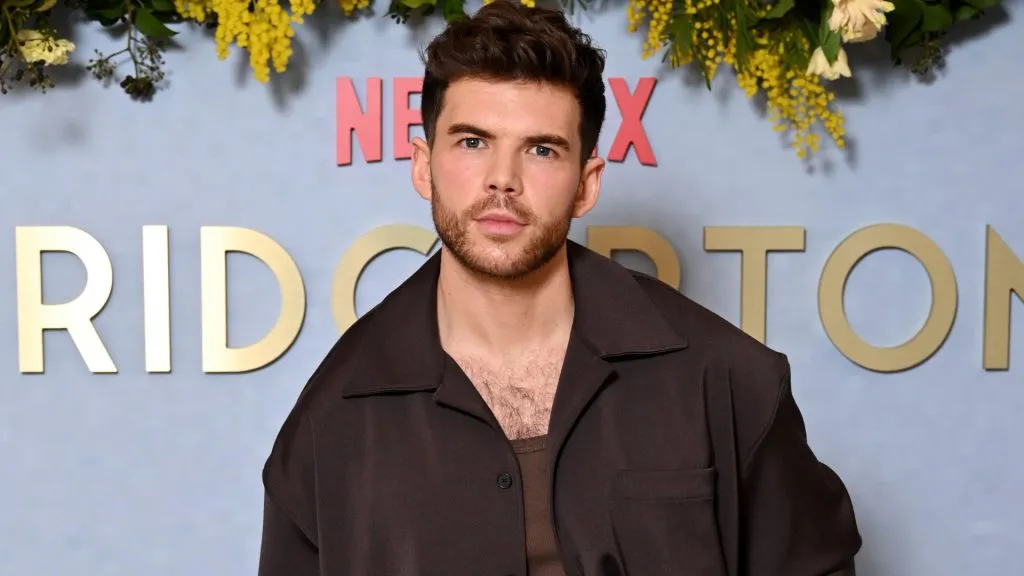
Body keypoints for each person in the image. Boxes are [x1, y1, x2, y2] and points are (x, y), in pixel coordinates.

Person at [257, 1, 862, 574]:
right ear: (423, 164)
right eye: (472, 142)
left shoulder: (727, 380)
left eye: (541, 150)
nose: (503, 180)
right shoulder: (331, 419)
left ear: (586, 183)